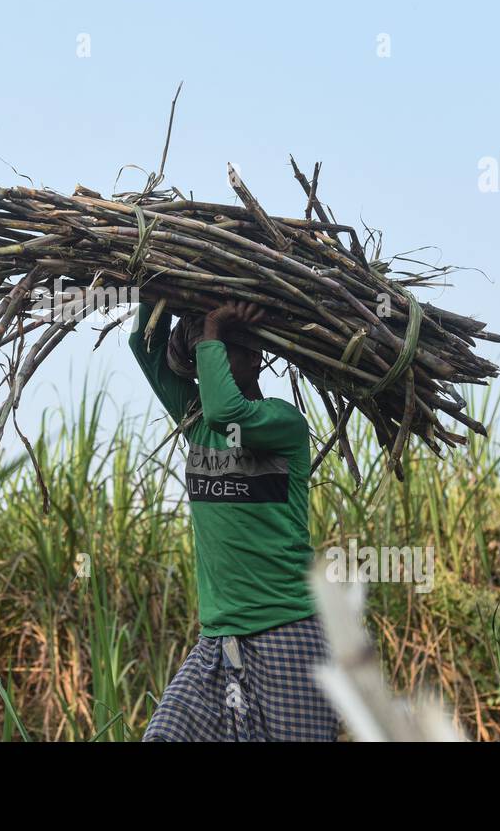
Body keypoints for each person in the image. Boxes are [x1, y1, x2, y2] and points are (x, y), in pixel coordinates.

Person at [130, 298, 338, 741]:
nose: (213, 364)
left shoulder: (283, 424)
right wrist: (158, 280)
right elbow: (143, 345)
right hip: (218, 640)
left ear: (256, 358)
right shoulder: (197, 423)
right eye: (208, 354)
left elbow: (229, 413)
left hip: (288, 634)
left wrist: (212, 328)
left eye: (226, 351)